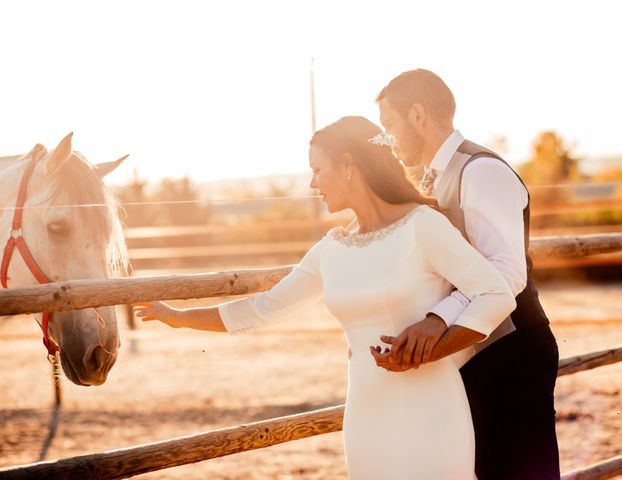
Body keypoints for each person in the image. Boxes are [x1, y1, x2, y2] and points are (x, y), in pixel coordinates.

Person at [133, 116, 516, 479]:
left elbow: (496, 293)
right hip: (366, 413)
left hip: (432, 408)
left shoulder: (423, 226)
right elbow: (263, 308)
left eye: (317, 169)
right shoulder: (330, 250)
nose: (313, 183)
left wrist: (434, 345)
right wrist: (178, 317)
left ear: (348, 165)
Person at [371, 68, 560, 480]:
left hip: (511, 351)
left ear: (417, 116)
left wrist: (436, 319)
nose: (387, 138)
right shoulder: (433, 177)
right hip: (476, 352)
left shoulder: (480, 172)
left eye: (389, 125)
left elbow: (505, 274)